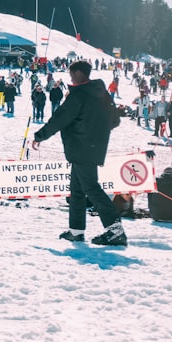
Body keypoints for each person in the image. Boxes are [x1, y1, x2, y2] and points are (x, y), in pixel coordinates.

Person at [31, 60, 127, 246]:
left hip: (81, 147)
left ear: (78, 73)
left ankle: (115, 230)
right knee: (76, 190)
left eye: (71, 73)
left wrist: (40, 136)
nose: (70, 77)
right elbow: (114, 120)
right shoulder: (101, 93)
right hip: (91, 147)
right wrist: (95, 130)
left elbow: (60, 119)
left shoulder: (79, 95)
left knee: (91, 188)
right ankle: (76, 230)